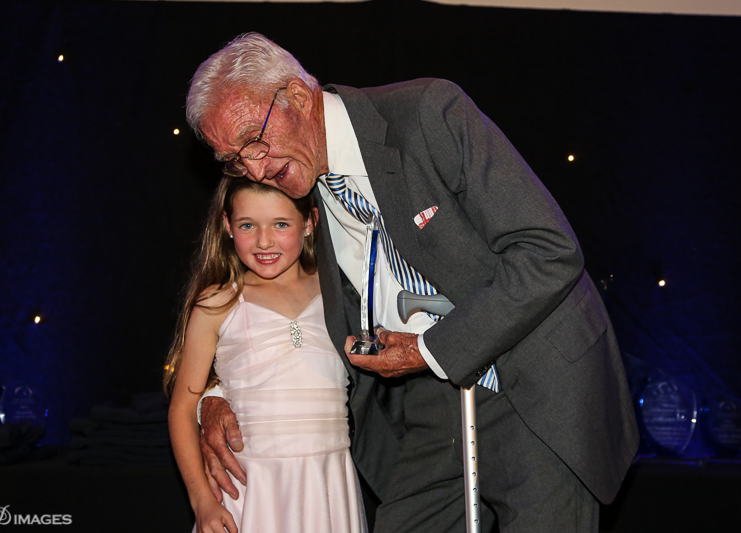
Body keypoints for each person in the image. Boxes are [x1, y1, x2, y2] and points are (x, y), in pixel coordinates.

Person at [186, 33, 639, 533]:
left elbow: (549, 251)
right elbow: (292, 321)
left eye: (253, 139)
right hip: (429, 405)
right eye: (232, 161)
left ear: (296, 96)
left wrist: (430, 350)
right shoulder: (303, 190)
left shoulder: (427, 114)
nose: (254, 168)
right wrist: (215, 393)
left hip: (529, 387)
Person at [165, 175, 367, 533]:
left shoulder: (342, 293)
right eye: (247, 225)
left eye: (281, 224)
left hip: (328, 486)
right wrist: (202, 502)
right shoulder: (217, 302)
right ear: (227, 225)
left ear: (310, 222)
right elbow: (182, 408)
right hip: (250, 489)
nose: (263, 241)